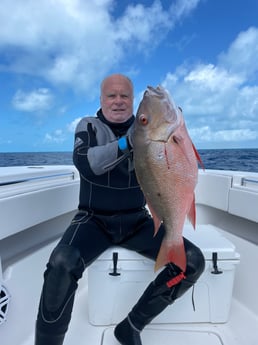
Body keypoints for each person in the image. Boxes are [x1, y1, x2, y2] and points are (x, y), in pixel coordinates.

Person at [35, 74, 205, 345]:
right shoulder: (88, 126)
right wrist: (131, 141)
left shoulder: (151, 130)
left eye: (124, 96)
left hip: (137, 220)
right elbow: (86, 164)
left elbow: (175, 160)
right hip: (94, 219)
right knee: (61, 263)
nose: (118, 101)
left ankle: (131, 327)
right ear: (101, 100)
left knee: (193, 262)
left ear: (132, 100)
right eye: (111, 96)